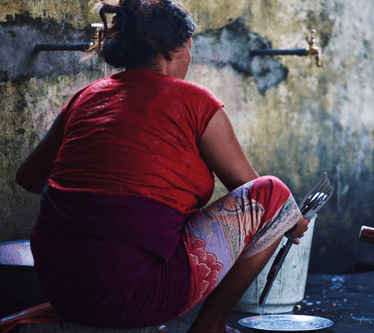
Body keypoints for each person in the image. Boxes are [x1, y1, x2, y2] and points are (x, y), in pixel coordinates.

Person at [15, 0, 310, 332]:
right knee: (276, 195)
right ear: (174, 49)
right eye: (188, 49)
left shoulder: (85, 97)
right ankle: (210, 325)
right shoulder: (195, 102)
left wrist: (94, 199)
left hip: (61, 287)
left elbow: (28, 177)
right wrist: (292, 220)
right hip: (134, 294)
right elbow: (264, 201)